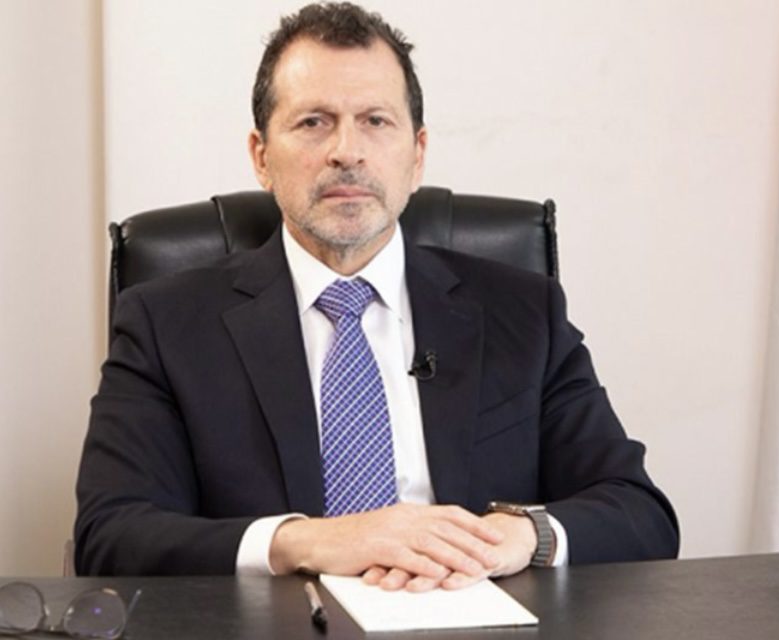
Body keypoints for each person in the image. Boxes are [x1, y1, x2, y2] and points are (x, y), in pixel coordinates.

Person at [75, 2, 678, 590]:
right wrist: (304, 542)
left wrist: (520, 536)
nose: (347, 150)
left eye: (375, 121)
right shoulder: (165, 323)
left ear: (417, 155)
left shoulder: (525, 313)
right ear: (261, 157)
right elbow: (110, 535)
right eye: (313, 122)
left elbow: (639, 512)